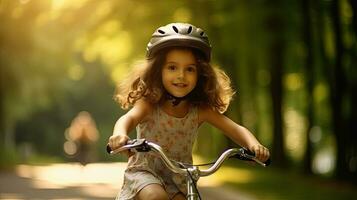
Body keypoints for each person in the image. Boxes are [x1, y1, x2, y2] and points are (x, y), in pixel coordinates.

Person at [108, 22, 270, 200]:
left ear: (201, 74)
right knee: (156, 196)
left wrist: (254, 145)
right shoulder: (149, 104)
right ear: (157, 71)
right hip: (145, 174)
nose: (181, 76)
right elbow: (128, 119)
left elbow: (235, 129)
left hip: (178, 178)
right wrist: (119, 135)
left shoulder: (199, 110)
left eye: (190, 69)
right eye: (172, 67)